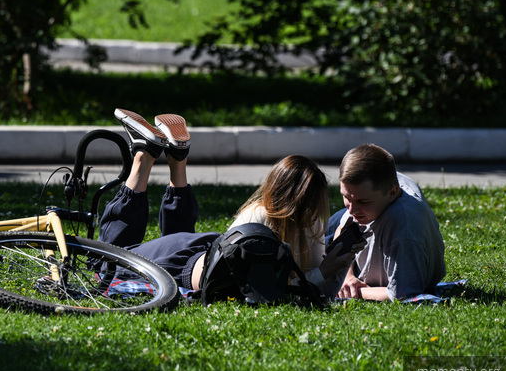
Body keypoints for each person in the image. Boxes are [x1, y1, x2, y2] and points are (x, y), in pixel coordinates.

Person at [100, 108, 357, 294]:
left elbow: (304, 288)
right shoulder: (260, 220)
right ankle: (149, 155)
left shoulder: (308, 221)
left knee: (108, 258)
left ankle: (167, 156)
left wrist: (333, 265)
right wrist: (326, 270)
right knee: (104, 263)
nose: (318, 212)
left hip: (196, 256)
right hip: (191, 258)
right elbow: (264, 286)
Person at [327, 143, 446, 301]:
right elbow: (342, 230)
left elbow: (402, 294)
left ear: (392, 193)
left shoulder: (404, 229)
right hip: (338, 223)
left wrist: (355, 292)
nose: (352, 210)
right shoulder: (367, 195)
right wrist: (347, 277)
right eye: (346, 197)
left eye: (363, 201)